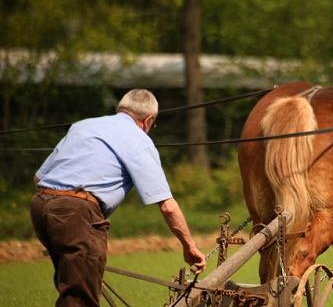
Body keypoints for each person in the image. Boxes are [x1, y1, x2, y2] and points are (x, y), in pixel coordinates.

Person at [30, 89, 206, 307]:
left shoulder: (83, 125)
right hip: (76, 213)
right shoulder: (139, 139)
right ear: (149, 120)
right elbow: (167, 206)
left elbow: (39, 177)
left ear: (121, 109)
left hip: (40, 206)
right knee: (80, 298)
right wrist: (189, 246)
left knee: (71, 288)